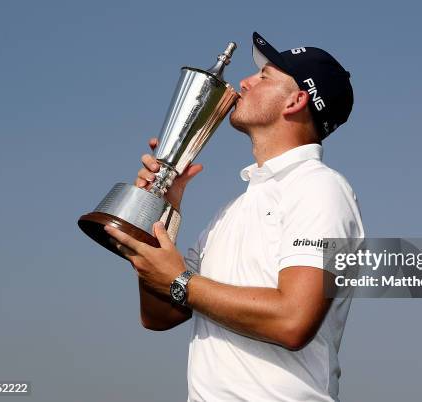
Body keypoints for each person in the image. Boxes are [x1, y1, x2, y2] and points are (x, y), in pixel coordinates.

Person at [104, 32, 364, 402]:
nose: (244, 81)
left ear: (296, 100)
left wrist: (181, 279)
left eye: (264, 77)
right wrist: (162, 209)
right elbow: (160, 315)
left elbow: (293, 320)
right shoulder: (231, 211)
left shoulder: (321, 188)